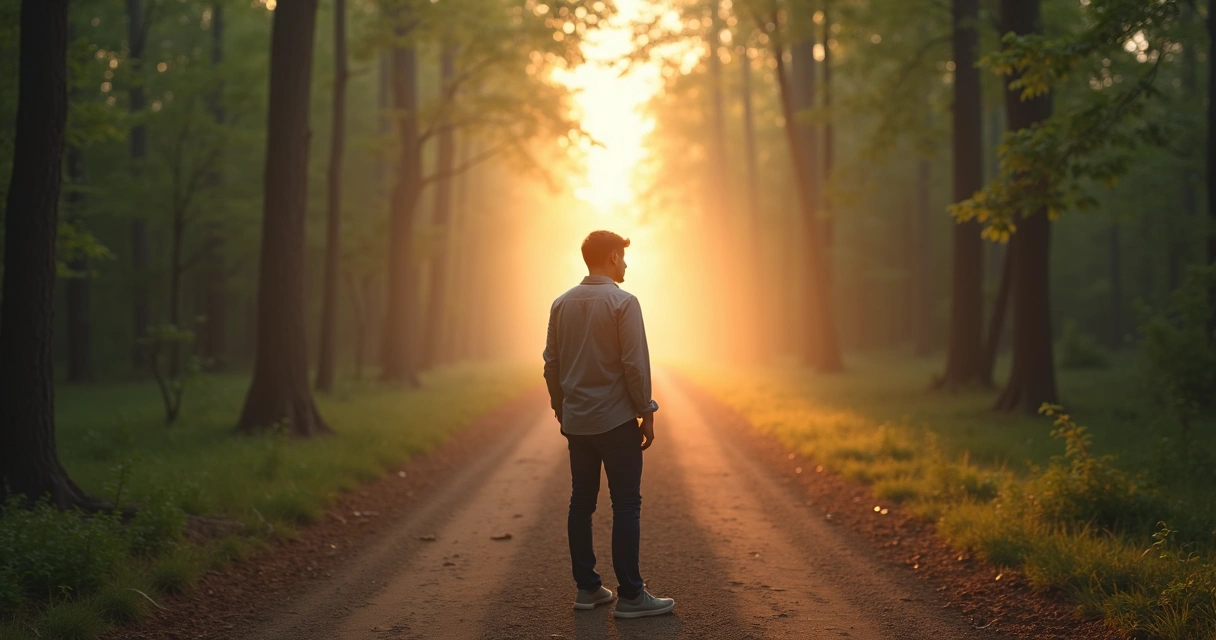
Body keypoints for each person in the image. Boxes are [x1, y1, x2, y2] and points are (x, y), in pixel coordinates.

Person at [542, 230, 675, 619]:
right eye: (624, 258)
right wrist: (646, 411)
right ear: (614, 256)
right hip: (616, 422)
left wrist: (560, 409)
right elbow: (634, 365)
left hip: (578, 422)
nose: (627, 265)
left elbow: (551, 363)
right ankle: (632, 595)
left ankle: (588, 590)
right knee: (626, 504)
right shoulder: (624, 302)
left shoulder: (560, 303)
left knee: (580, 502)